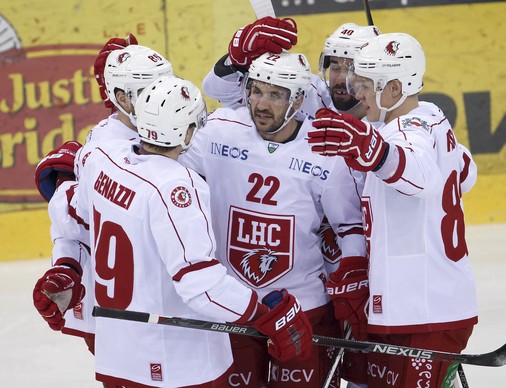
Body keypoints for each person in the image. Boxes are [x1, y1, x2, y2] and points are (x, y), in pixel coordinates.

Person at [37, 75, 313, 387]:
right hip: (177, 363)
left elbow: (69, 214)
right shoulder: (177, 186)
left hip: (117, 353)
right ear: (188, 132)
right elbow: (200, 285)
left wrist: (66, 266)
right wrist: (264, 316)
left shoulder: (100, 156)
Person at [202, 18, 380, 387]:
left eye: (353, 68)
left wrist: (354, 272)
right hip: (241, 297)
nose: (342, 77)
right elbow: (165, 157)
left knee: (364, 367)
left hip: (325, 288)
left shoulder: (385, 126)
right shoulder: (225, 128)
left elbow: (353, 225)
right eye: (336, 65)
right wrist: (238, 55)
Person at [308, 32, 478, 388]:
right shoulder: (430, 117)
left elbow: (420, 176)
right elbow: (466, 173)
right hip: (417, 306)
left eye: (367, 85)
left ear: (395, 90)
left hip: (426, 309)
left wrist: (372, 148)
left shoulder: (405, 134)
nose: (358, 94)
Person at [32, 41, 173, 355]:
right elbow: (74, 224)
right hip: (123, 308)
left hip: (149, 301)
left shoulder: (118, 138)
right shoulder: (110, 150)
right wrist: (67, 267)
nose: (162, 96)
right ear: (120, 96)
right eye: (149, 88)